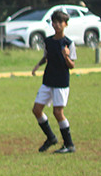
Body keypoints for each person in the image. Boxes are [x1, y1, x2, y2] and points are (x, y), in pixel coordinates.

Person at [31, 9, 77, 153]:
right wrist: (38, 65)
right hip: (48, 80)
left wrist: (66, 56)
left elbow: (72, 65)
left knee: (58, 112)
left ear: (65, 24)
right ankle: (51, 137)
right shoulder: (48, 41)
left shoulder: (68, 43)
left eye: (60, 22)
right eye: (54, 22)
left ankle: (69, 145)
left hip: (61, 82)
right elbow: (47, 56)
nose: (56, 25)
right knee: (36, 110)